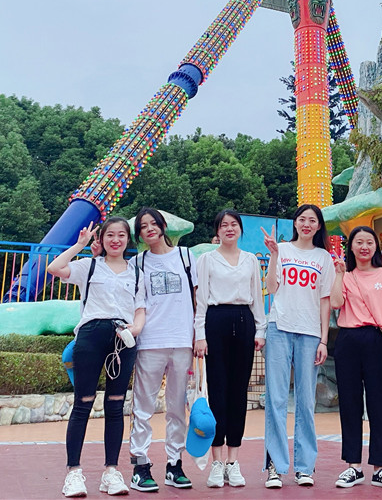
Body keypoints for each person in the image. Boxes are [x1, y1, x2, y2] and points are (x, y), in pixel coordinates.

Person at [47, 217, 140, 497]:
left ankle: (111, 472)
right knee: (83, 403)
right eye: (110, 234)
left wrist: (134, 330)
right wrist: (80, 245)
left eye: (121, 235)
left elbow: (141, 309)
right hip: (90, 336)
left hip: (123, 340)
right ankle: (73, 473)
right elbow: (55, 268)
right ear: (102, 239)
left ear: (128, 239)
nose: (116, 240)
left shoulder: (137, 272)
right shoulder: (89, 266)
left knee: (116, 405)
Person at [261, 204, 336, 489]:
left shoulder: (324, 258)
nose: (306, 224)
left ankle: (304, 467)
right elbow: (271, 288)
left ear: (318, 226)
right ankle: (275, 467)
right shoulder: (282, 249)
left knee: (306, 400)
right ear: (295, 223)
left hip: (310, 333)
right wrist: (273, 255)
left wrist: (323, 339)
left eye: (312, 220)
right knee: (276, 399)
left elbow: (326, 300)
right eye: (302, 219)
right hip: (280, 327)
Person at [193, 210, 267, 487]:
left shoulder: (250, 260)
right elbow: (201, 300)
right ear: (217, 231)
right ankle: (216, 462)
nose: (229, 229)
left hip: (244, 321)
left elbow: (257, 298)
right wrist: (200, 335)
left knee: (238, 392)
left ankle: (233, 461)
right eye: (223, 225)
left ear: (240, 229)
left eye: (234, 224)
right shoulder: (207, 260)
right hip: (216, 321)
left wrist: (260, 330)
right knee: (218, 392)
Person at [331, 226, 382, 490]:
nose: (364, 247)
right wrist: (339, 274)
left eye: (369, 242)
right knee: (349, 404)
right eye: (359, 242)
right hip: (348, 340)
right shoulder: (346, 275)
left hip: (376, 339)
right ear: (350, 247)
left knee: (379, 404)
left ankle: (380, 468)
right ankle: (353, 466)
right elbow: (336, 303)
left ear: (376, 247)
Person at [129, 208, 196, 493]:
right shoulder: (137, 262)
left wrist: (199, 335)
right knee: (143, 407)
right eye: (143, 226)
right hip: (150, 341)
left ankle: (174, 464)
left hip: (181, 340)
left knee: (177, 407)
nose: (149, 229)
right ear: (139, 234)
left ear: (163, 225)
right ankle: (140, 465)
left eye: (153, 223)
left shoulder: (186, 256)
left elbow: (198, 299)